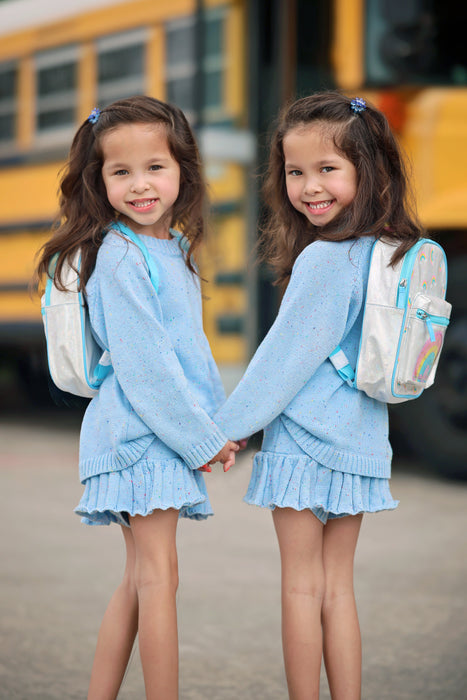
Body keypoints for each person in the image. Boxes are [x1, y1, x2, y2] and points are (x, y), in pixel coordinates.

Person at [214, 91, 422, 700]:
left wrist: (230, 427)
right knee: (339, 586)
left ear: (367, 170)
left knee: (301, 586)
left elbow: (282, 362)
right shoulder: (385, 251)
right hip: (359, 439)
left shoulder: (326, 260)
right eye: (295, 171)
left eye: (327, 169)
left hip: (305, 444)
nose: (309, 187)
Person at [35, 95, 238, 700]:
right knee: (159, 578)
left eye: (155, 167)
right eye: (121, 172)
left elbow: (190, 358)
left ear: (183, 171)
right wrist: (202, 438)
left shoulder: (171, 247)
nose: (140, 184)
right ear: (98, 182)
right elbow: (147, 367)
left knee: (139, 579)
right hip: (137, 437)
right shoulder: (119, 256)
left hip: (150, 435)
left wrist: (214, 421)